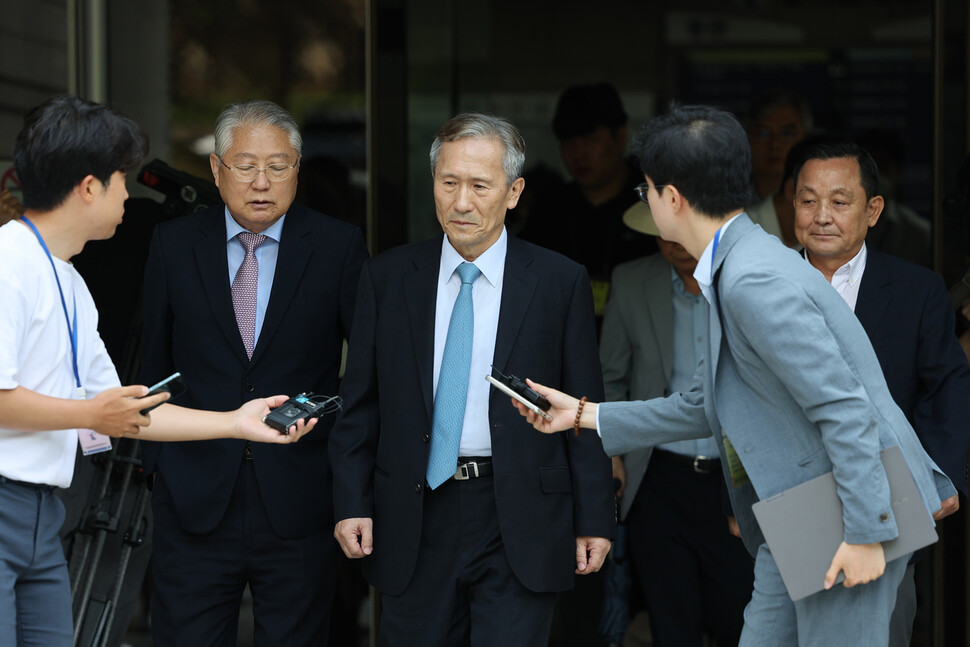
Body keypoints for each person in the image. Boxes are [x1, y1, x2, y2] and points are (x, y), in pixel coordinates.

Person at [511, 104, 955, 646]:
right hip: (799, 514)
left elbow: (843, 405)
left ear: (671, 199)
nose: (645, 201)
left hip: (848, 511)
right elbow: (707, 401)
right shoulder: (738, 263)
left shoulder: (752, 278)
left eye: (645, 190)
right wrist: (585, 415)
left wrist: (864, 533)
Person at [0, 95, 314, 647]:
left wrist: (235, 423)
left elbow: (127, 410)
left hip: (40, 516)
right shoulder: (8, 263)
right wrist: (90, 412)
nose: (130, 195)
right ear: (89, 187)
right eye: (122, 180)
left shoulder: (70, 283)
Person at [329, 112, 615, 647]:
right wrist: (351, 502)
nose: (462, 202)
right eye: (449, 183)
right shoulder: (388, 278)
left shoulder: (558, 281)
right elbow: (359, 404)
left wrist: (595, 516)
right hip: (415, 508)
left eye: (480, 186)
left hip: (522, 511)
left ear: (513, 192)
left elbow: (582, 407)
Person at [139, 99, 368, 646]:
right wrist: (155, 470)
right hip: (193, 496)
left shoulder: (338, 246)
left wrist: (349, 484)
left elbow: (363, 374)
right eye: (245, 165)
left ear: (298, 169)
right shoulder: (174, 245)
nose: (261, 181)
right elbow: (151, 366)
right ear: (217, 170)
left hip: (300, 494)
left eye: (278, 165)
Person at [791, 139, 970, 646]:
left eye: (840, 201)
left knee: (881, 629)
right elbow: (729, 398)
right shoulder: (757, 285)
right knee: (791, 628)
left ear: (873, 210)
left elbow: (948, 386)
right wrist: (735, 499)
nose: (822, 216)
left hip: (888, 492)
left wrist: (942, 478)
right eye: (808, 200)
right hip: (789, 490)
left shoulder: (917, 290)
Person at [601, 201, 753, 646]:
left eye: (680, 231)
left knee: (739, 615)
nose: (673, 244)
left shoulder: (745, 277)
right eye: (662, 233)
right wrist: (613, 453)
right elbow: (610, 376)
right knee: (671, 620)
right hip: (658, 476)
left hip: (735, 474)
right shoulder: (632, 281)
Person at [519, 83, 656, 325]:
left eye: (590, 140)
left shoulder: (650, 200)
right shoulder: (550, 207)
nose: (578, 154)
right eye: (569, 144)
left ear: (620, 136)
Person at [745, 90, 812, 205]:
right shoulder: (728, 209)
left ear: (806, 140)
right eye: (763, 134)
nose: (774, 144)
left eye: (787, 134)